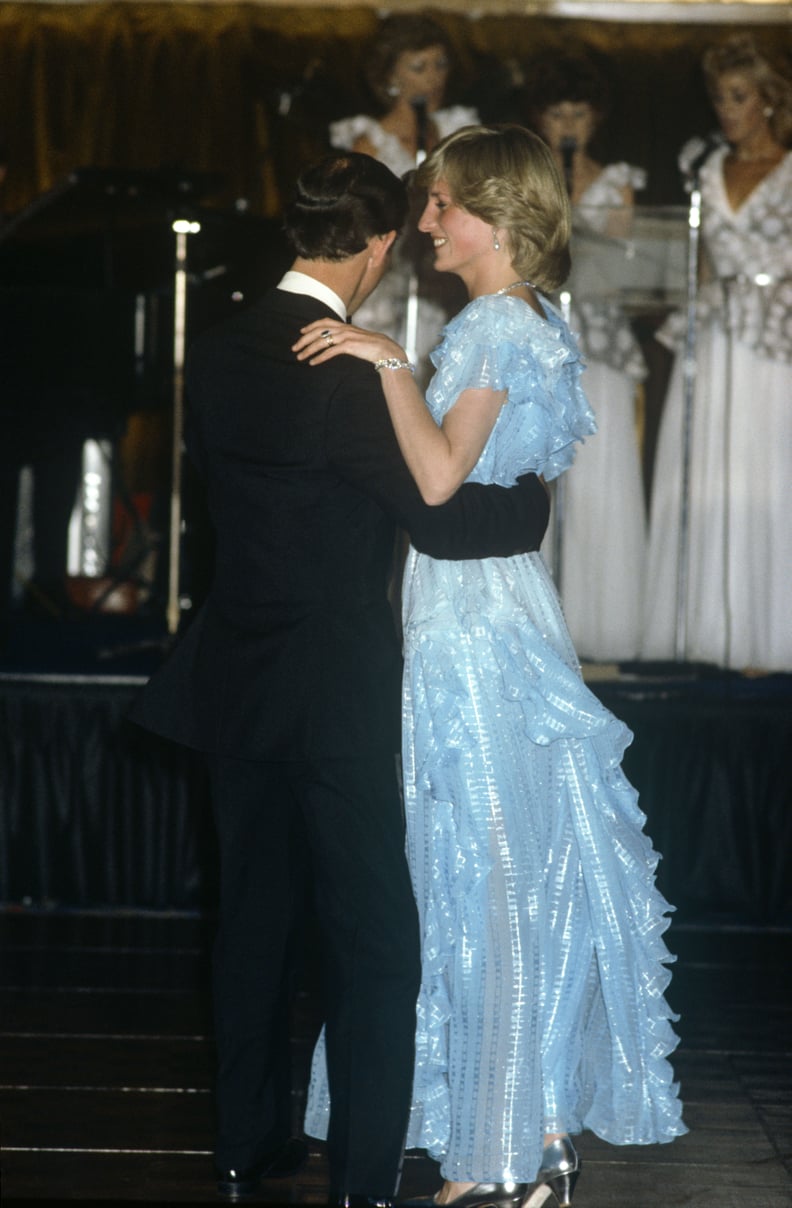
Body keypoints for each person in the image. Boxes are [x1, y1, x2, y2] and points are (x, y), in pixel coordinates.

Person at [129, 150, 553, 1206]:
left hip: (235, 674)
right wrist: (535, 502)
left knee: (254, 922)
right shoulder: (352, 371)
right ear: (373, 246)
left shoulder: (219, 348)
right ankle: (364, 1175)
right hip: (337, 691)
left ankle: (244, 1142)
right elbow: (444, 522)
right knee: (373, 940)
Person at [298, 125, 686, 1208]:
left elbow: (432, 479)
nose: (425, 223)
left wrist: (380, 360)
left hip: (472, 627)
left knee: (484, 866)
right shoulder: (533, 321)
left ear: (498, 215)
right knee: (509, 861)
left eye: (442, 206)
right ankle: (534, 1125)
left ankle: (500, 1148)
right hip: (497, 607)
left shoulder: (488, 329)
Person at [642, 34, 792, 672]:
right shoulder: (702, 169)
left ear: (770, 100)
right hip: (714, 335)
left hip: (773, 343)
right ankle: (702, 634)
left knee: (767, 474)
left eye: (740, 96)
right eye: (719, 97)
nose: (727, 110)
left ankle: (771, 635)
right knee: (704, 472)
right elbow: (693, 257)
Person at [529, 54, 648, 662]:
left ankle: (601, 629)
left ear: (595, 118)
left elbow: (629, 268)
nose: (569, 125)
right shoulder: (526, 182)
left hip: (598, 347)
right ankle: (536, 629)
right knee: (539, 485)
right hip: (538, 344)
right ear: (540, 118)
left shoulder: (615, 180)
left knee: (599, 484)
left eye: (579, 113)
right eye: (558, 113)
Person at [329, 13, 478, 386]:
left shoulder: (459, 130)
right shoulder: (369, 142)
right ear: (390, 76)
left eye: (440, 64)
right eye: (419, 66)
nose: (434, 77)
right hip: (390, 282)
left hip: (444, 282)